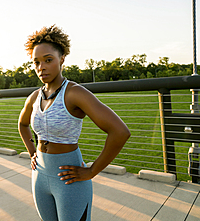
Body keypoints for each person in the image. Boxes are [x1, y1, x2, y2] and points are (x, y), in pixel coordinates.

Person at [18, 25, 131, 221]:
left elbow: (120, 131)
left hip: (70, 179)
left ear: (61, 59)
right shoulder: (34, 97)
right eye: (36, 62)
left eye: (48, 60)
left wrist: (92, 171)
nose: (41, 67)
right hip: (40, 177)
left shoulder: (74, 93)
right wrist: (32, 151)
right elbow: (22, 124)